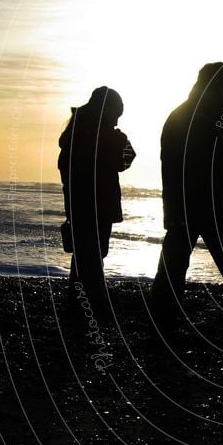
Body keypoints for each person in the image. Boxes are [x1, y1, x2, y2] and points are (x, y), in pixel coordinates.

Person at [151, 62, 223, 323]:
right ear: (220, 87)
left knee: (174, 264)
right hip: (215, 206)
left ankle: (162, 320)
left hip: (184, 205)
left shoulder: (177, 116)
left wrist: (172, 206)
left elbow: (168, 166)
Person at [58, 86, 135, 312]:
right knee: (92, 255)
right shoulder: (102, 136)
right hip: (97, 204)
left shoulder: (76, 132)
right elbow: (124, 160)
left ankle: (78, 302)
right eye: (116, 115)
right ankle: (94, 304)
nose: (117, 121)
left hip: (79, 203)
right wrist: (120, 140)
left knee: (85, 255)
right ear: (107, 111)